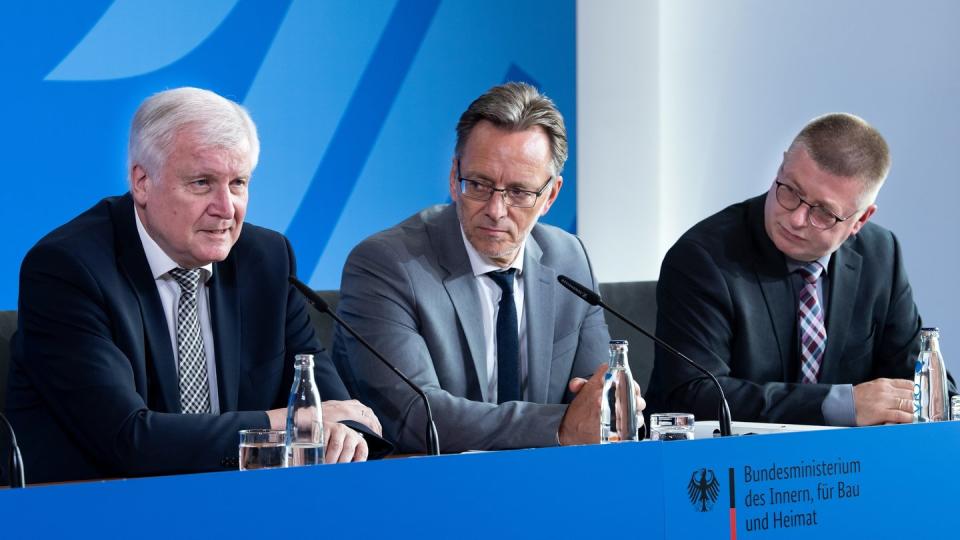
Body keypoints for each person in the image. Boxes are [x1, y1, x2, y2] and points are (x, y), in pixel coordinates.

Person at [5, 87, 385, 483]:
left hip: (246, 506)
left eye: (238, 183)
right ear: (142, 182)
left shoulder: (266, 259)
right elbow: (129, 440)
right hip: (101, 511)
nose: (226, 209)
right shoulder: (70, 269)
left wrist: (345, 432)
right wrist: (285, 423)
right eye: (202, 183)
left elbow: (335, 407)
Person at [333, 82, 644, 453]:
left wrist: (613, 410)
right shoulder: (387, 264)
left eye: (519, 192)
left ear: (550, 195)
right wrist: (561, 427)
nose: (496, 210)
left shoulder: (570, 260)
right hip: (430, 491)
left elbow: (595, 404)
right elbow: (418, 417)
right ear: (454, 176)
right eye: (478, 184)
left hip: (549, 489)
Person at [651, 112, 952, 426]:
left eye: (823, 212)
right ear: (782, 166)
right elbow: (693, 394)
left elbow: (926, 386)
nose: (795, 218)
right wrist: (842, 404)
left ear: (860, 221)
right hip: (732, 465)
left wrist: (922, 401)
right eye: (790, 191)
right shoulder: (703, 257)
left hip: (847, 466)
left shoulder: (881, 256)